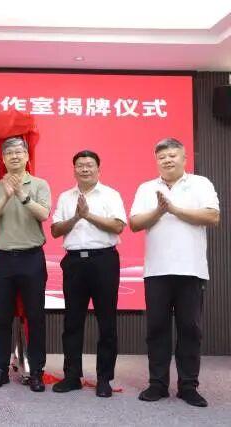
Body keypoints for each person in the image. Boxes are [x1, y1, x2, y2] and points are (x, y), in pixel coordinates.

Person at [130, 138, 219, 408]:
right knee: (157, 328)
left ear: (184, 158)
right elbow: (135, 223)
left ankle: (188, 386)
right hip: (157, 270)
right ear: (156, 161)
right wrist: (159, 210)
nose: (167, 160)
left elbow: (212, 217)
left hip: (191, 269)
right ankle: (157, 383)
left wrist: (174, 209)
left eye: (172, 155)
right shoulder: (147, 188)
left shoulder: (201, 184)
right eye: (162, 157)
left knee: (190, 329)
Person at [50, 150, 126, 398]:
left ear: (98, 169)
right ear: (74, 170)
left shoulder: (111, 195)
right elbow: (55, 230)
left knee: (107, 322)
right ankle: (72, 376)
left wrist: (88, 215)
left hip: (104, 261)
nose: (85, 169)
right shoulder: (65, 197)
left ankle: (104, 379)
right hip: (74, 262)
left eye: (89, 165)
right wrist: (76, 217)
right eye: (80, 165)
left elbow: (118, 226)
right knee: (72, 321)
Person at [0, 136, 51, 392]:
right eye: (9, 153)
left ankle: (36, 372)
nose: (14, 156)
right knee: (2, 317)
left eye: (18, 152)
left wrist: (22, 195)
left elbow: (44, 214)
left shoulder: (40, 184)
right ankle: (0, 369)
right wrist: (5, 197)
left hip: (32, 258)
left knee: (35, 317)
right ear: (3, 158)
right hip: (3, 259)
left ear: (27, 157)